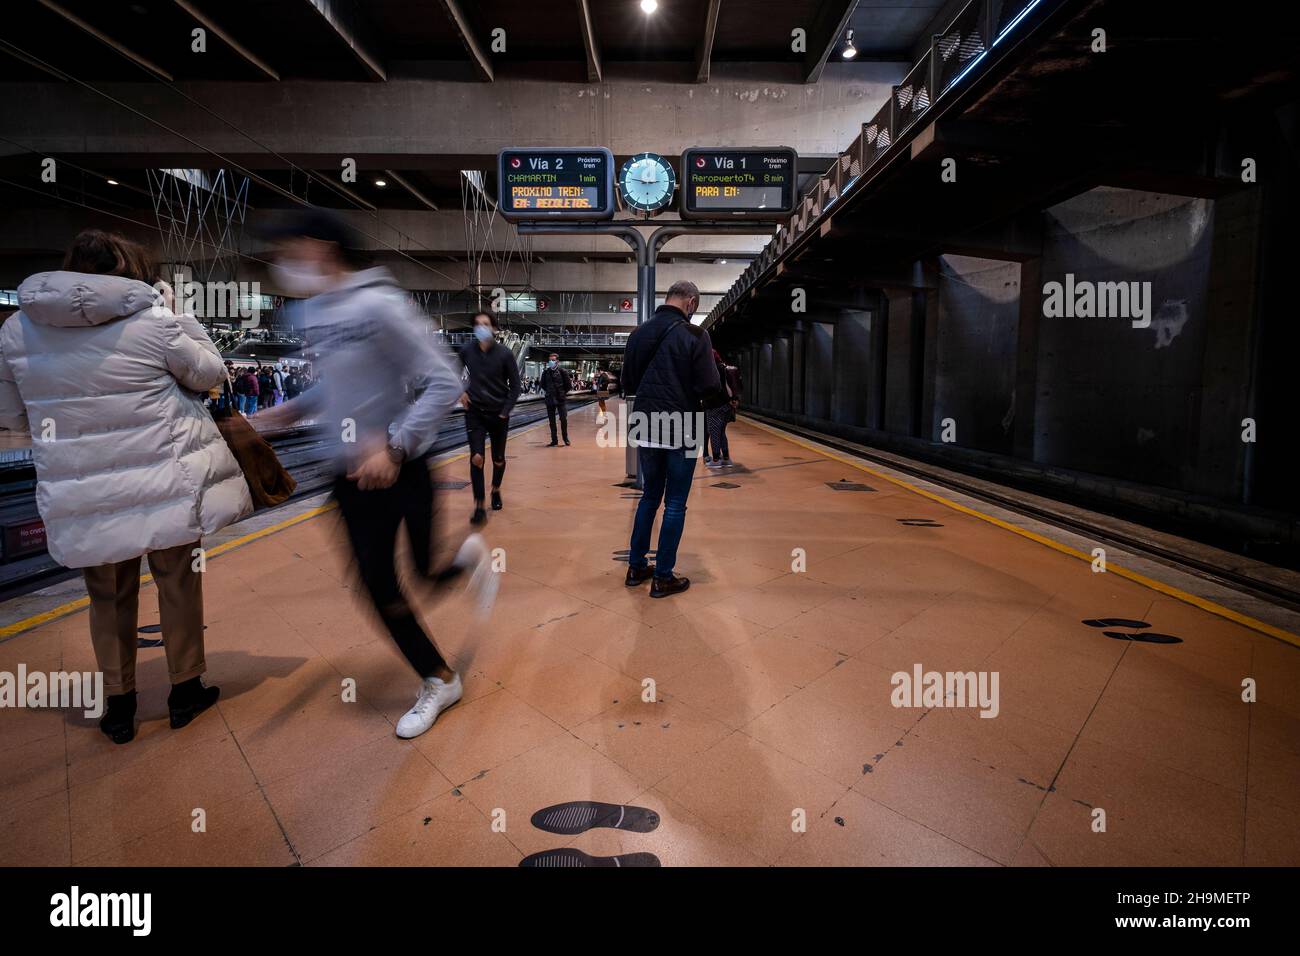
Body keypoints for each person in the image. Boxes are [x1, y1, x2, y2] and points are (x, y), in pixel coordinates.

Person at [0, 228, 253, 743]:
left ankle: (118, 706)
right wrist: (179, 311)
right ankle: (185, 692)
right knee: (178, 584)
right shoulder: (154, 319)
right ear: (130, 271)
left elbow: (13, 418)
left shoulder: (16, 331)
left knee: (107, 596)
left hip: (83, 489)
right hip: (165, 479)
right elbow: (210, 375)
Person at [251, 208, 493, 740]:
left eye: (288, 252)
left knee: (425, 576)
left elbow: (443, 380)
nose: (282, 265)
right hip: (349, 477)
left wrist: (394, 446)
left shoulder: (380, 306)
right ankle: (438, 677)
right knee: (378, 585)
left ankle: (467, 559)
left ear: (320, 247)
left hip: (401, 468)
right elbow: (337, 385)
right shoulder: (308, 314)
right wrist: (285, 411)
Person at [620, 280, 720, 598]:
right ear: (690, 302)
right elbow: (709, 386)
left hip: (646, 423)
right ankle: (663, 576)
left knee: (650, 496)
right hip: (683, 426)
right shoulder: (695, 335)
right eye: (696, 307)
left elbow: (627, 382)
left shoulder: (638, 334)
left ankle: (636, 567)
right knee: (675, 503)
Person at [457, 311, 521, 525]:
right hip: (474, 412)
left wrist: (505, 410)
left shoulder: (504, 354)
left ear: (494, 328)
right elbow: (452, 372)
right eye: (477, 324)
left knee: (498, 459)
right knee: (477, 458)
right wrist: (460, 391)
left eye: (485, 324)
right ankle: (478, 505)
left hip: (498, 414)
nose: (481, 327)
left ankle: (495, 489)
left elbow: (516, 386)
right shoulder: (466, 351)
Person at [703, 348, 741, 468]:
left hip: (714, 405)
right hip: (727, 406)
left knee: (713, 432)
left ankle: (715, 460)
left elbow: (712, 388)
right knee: (721, 432)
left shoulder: (712, 370)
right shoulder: (724, 367)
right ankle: (726, 458)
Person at [540, 352, 571, 446]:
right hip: (550, 399)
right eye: (550, 360)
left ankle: (565, 438)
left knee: (563, 419)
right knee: (551, 421)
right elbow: (543, 384)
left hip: (560, 399)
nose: (551, 362)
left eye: (553, 360)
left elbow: (568, 385)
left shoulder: (563, 372)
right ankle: (554, 440)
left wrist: (561, 393)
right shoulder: (545, 372)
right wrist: (549, 392)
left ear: (557, 361)